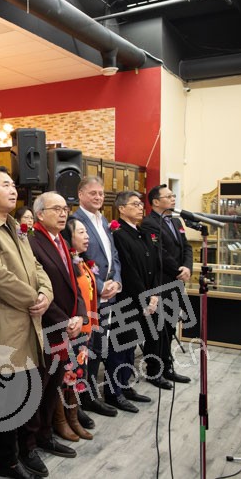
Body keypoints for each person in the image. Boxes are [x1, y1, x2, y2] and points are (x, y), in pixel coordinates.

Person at [0, 167, 51, 479]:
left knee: (15, 400)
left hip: (26, 322)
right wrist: (34, 299)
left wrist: (45, 293)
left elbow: (36, 265)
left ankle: (9, 460)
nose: (13, 189)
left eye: (13, 184)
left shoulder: (15, 225)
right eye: (4, 185)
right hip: (1, 325)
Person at [28, 192, 82, 470]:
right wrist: (65, 320)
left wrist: (79, 314)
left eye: (65, 209)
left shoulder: (62, 240)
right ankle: (29, 444)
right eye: (56, 209)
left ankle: (45, 434)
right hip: (46, 326)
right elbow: (36, 290)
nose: (63, 214)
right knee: (39, 387)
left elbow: (74, 284)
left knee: (54, 386)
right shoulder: (32, 241)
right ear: (40, 214)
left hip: (64, 326)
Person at [70, 176, 120, 418]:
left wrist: (117, 281)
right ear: (81, 194)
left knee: (100, 347)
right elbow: (77, 259)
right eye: (93, 193)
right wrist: (100, 286)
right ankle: (83, 399)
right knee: (85, 350)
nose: (99, 197)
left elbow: (114, 255)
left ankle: (91, 395)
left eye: (101, 193)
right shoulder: (75, 221)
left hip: (109, 293)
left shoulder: (104, 220)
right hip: (90, 295)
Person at [140, 184, 193, 387]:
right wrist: (179, 270)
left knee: (170, 328)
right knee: (157, 330)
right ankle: (154, 371)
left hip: (177, 282)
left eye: (173, 195)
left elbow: (186, 246)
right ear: (155, 201)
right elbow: (159, 253)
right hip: (161, 283)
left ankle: (167, 368)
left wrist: (187, 267)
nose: (173, 198)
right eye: (168, 196)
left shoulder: (176, 221)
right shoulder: (149, 223)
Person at [108, 191, 156, 411]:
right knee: (120, 346)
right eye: (135, 204)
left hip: (143, 297)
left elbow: (151, 265)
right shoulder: (119, 233)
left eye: (140, 204)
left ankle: (125, 384)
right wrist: (145, 296)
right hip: (128, 298)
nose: (140, 207)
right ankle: (114, 392)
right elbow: (128, 270)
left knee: (131, 346)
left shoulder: (140, 232)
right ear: (121, 208)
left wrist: (153, 294)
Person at [60, 216, 98, 439]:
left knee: (78, 374)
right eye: (81, 232)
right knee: (68, 376)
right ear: (69, 236)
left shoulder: (80, 261)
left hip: (86, 328)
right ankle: (63, 420)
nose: (87, 237)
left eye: (86, 232)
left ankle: (73, 415)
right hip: (72, 328)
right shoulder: (67, 262)